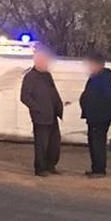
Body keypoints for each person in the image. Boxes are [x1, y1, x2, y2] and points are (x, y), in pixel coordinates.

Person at [20, 48, 64, 176]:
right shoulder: (30, 77)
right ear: (37, 61)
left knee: (54, 143)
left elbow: (53, 92)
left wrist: (58, 106)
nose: (47, 64)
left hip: (52, 115)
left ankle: (51, 165)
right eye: (44, 61)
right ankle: (40, 168)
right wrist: (37, 109)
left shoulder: (47, 75)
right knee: (41, 144)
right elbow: (24, 97)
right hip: (40, 117)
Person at [79, 52, 111, 177]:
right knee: (94, 142)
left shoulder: (103, 79)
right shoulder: (97, 77)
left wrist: (94, 107)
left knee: (97, 142)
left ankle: (99, 169)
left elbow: (107, 97)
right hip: (95, 115)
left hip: (99, 116)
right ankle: (96, 167)